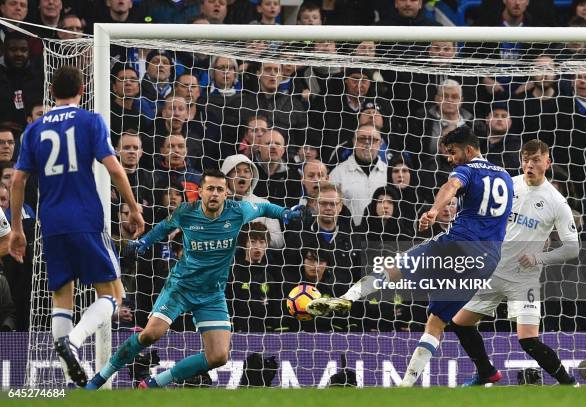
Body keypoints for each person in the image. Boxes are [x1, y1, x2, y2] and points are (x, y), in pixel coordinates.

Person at [307, 126, 513, 387]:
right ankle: (410, 386)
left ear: (469, 150)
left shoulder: (468, 169)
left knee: (393, 267)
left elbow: (452, 185)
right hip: (487, 261)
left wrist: (435, 210)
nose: (450, 158)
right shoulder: (505, 176)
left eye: (453, 152)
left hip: (459, 245)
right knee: (436, 321)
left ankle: (347, 298)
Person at [85, 168, 304, 389]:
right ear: (200, 191)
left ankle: (154, 382)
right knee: (151, 334)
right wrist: (143, 243)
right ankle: (100, 378)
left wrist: (284, 213)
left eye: (220, 189)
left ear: (226, 194)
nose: (215, 194)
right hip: (181, 287)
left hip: (212, 294)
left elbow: (265, 207)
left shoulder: (238, 211)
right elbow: (163, 228)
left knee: (219, 356)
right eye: (210, 188)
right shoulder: (186, 212)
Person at [9, 66, 145, 386]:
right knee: (113, 295)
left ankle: (69, 378)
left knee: (61, 295)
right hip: (85, 218)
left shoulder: (34, 129)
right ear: (82, 89)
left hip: (51, 223)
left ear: (51, 92)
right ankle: (73, 341)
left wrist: (16, 228)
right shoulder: (90, 121)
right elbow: (114, 168)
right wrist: (134, 207)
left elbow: (17, 181)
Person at [452, 140, 579, 386]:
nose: (529, 165)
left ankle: (569, 383)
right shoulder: (508, 185)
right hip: (493, 270)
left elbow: (572, 247)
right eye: (525, 160)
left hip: (524, 277)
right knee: (459, 323)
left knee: (527, 340)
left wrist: (539, 257)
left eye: (536, 160)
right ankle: (486, 372)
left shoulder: (556, 201)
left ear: (547, 163)